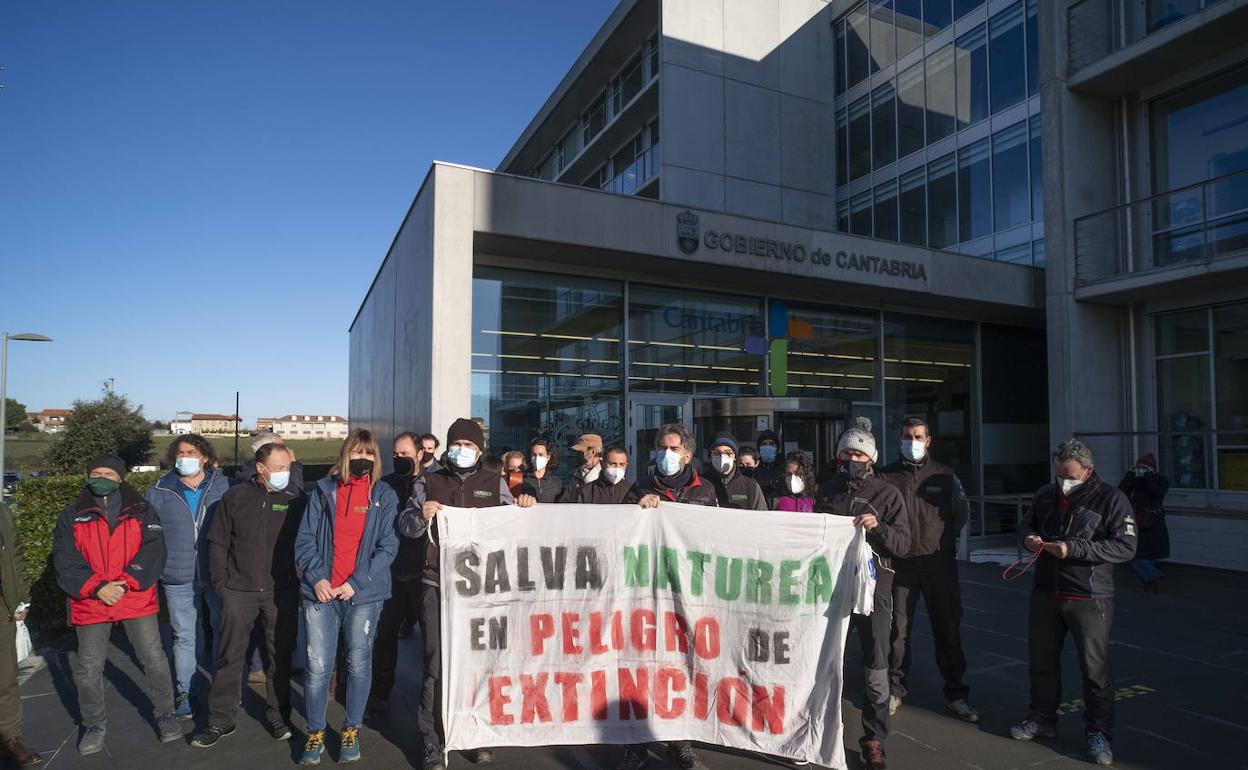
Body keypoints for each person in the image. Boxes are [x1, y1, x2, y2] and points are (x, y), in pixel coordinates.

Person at [398, 418, 536, 770]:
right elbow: (405, 524)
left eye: (469, 444)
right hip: (435, 584)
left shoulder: (495, 483)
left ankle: (476, 734)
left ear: (479, 450)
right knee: (435, 664)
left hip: (481, 589)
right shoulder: (427, 481)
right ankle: (432, 739)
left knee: (478, 663)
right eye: (456, 442)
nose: (462, 449)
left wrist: (522, 505)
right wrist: (420, 515)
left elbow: (513, 523)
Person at [1011, 439, 1136, 767]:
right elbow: (1026, 524)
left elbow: (1125, 547)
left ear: (1089, 471)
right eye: (1059, 475)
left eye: (1071, 477)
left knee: (1094, 669)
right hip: (1046, 591)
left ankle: (1099, 732)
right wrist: (1028, 538)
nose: (1064, 483)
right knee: (1041, 661)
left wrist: (1074, 549)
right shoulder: (1045, 495)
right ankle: (1041, 717)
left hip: (1089, 597)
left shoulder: (1112, 499)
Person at [53, 455, 181, 754]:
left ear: (121, 478)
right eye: (96, 472)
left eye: (109, 473)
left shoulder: (141, 510)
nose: (102, 477)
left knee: (153, 657)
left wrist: (126, 581)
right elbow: (66, 559)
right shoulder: (71, 515)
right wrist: (97, 587)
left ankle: (166, 714)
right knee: (88, 667)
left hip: (133, 595)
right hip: (92, 600)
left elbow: (153, 550)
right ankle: (93, 723)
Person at [294, 430, 399, 765]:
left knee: (358, 663)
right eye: (356, 451)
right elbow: (305, 540)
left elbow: (388, 547)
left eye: (369, 453)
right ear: (344, 454)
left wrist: (356, 582)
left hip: (363, 595)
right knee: (317, 667)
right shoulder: (324, 491)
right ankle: (315, 731)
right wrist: (317, 578)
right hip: (321, 594)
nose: (362, 458)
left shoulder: (384, 495)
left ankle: (351, 728)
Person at [192, 442, 306, 748]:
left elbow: (307, 542)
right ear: (260, 468)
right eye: (280, 468)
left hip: (280, 591)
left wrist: (297, 578)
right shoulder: (235, 497)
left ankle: (279, 715)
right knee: (229, 657)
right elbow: (216, 543)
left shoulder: (295, 499)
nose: (286, 474)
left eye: (288, 468)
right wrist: (221, 585)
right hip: (237, 592)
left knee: (279, 657)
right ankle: (220, 720)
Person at [814, 418, 910, 770]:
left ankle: (874, 739)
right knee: (824, 663)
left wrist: (878, 527)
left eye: (858, 453)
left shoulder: (888, 494)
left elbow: (903, 543)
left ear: (870, 457)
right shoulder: (828, 491)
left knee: (875, 666)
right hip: (832, 589)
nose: (852, 459)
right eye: (846, 453)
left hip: (874, 592)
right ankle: (820, 732)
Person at [621, 423, 715, 770]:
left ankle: (680, 740)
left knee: (681, 667)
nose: (665, 454)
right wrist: (635, 506)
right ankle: (636, 744)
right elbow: (621, 528)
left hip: (686, 592)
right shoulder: (641, 487)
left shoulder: (704, 491)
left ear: (687, 454)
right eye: (661, 447)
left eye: (672, 448)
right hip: (646, 589)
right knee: (642, 666)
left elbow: (717, 537)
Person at [877, 418, 977, 723]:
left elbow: (960, 516)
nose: (912, 441)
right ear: (899, 438)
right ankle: (895, 689)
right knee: (898, 633)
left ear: (928, 440)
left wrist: (939, 544)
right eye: (907, 436)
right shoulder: (887, 476)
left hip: (939, 567)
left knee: (947, 630)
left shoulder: (945, 476)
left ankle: (956, 694)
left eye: (918, 436)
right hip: (901, 566)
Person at [145, 433, 233, 719]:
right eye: (181, 453)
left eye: (192, 452)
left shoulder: (224, 485)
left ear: (204, 456)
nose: (185, 458)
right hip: (177, 574)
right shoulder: (159, 490)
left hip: (217, 572)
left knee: (223, 632)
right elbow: (148, 535)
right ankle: (186, 691)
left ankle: (224, 689)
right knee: (185, 636)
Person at [235, 430, 304, 686]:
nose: (288, 453)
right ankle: (259, 666)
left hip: (283, 563)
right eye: (282, 449)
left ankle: (281, 661)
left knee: (281, 620)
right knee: (262, 623)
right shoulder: (248, 484)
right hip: (261, 567)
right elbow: (295, 492)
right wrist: (295, 468)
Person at [367, 432, 427, 718]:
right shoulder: (385, 484)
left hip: (422, 572)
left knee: (431, 640)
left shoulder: (432, 482)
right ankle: (381, 691)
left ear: (420, 454)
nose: (399, 458)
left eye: (405, 454)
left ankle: (430, 697)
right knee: (385, 636)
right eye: (396, 454)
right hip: (390, 572)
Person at [0, 501, 41, 767]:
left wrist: (21, 598)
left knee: (5, 681)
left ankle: (10, 740)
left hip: (3, 607)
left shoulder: (2, 511)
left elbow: (15, 553)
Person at [1119, 454, 1169, 592]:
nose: (1141, 470)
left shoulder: (1161, 480)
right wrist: (1130, 475)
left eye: (1144, 468)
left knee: (1143, 555)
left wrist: (1149, 476)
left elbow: (1156, 493)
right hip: (1136, 521)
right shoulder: (1136, 480)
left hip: (1152, 522)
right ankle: (1152, 579)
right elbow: (1121, 491)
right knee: (1134, 554)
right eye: (1139, 467)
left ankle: (1152, 579)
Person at [705, 433, 767, 510]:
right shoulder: (700, 484)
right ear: (710, 455)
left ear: (734, 456)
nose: (722, 457)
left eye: (728, 453)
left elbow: (761, 516)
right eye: (717, 453)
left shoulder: (750, 486)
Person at [235, 430, 306, 490]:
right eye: (280, 448)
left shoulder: (247, 472)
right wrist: (294, 465)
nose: (286, 450)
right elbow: (295, 493)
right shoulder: (256, 478)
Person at [561, 433, 603, 503]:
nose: (576, 455)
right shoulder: (577, 475)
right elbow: (566, 500)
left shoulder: (607, 474)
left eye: (580, 452)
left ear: (593, 451)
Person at [521, 438, 562, 503]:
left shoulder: (556, 481)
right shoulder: (521, 479)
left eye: (541, 455)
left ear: (548, 457)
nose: (537, 458)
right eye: (534, 455)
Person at [752, 429, 783, 502]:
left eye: (771, 444)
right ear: (759, 448)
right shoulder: (754, 467)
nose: (768, 447)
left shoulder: (784, 467)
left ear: (777, 447)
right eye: (764, 444)